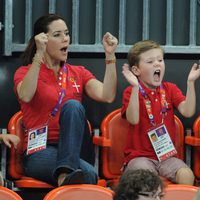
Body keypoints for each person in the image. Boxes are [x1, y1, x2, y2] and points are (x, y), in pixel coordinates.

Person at [13, 13, 118, 186]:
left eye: (67, 33)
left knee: (73, 106)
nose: (65, 39)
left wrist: (110, 56)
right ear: (43, 40)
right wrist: (39, 55)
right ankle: (67, 174)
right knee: (89, 174)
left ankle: (64, 175)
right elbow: (25, 95)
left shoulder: (78, 72)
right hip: (41, 150)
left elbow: (107, 95)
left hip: (76, 147)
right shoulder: (25, 72)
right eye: (57, 35)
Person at [121, 40, 200, 185]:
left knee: (187, 175)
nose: (157, 64)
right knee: (146, 180)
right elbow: (133, 119)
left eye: (160, 60)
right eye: (150, 61)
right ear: (136, 70)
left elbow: (188, 111)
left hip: (166, 157)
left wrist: (190, 82)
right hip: (140, 157)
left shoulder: (169, 89)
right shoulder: (131, 92)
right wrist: (134, 87)